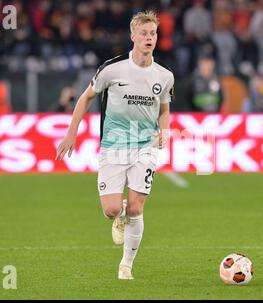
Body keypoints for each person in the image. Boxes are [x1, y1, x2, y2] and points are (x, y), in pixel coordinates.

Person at [55, 11, 174, 280]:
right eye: (143, 33)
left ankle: (126, 266)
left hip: (145, 147)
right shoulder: (112, 68)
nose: (148, 38)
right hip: (114, 145)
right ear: (133, 36)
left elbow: (164, 109)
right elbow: (85, 98)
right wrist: (71, 133)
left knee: (136, 208)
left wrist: (164, 131)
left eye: (153, 33)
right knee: (111, 210)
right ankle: (118, 214)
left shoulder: (164, 76)